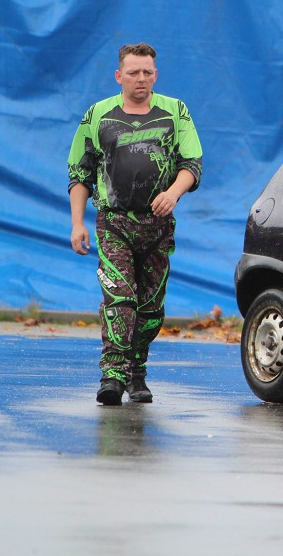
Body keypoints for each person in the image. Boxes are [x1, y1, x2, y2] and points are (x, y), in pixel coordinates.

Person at [67, 43, 203, 405]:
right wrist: (77, 223)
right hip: (113, 223)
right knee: (120, 300)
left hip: (157, 226)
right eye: (133, 72)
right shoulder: (98, 115)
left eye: (147, 72)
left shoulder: (175, 112)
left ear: (155, 75)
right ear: (119, 76)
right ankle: (112, 375)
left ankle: (136, 370)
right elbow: (80, 173)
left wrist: (173, 193)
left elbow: (192, 163)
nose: (140, 79)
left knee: (151, 310)